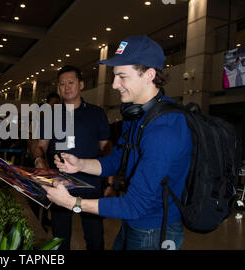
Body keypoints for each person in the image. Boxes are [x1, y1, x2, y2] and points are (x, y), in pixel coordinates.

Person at [42, 35, 193, 250]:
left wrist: (71, 203)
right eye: (114, 76)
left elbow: (134, 204)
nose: (114, 84)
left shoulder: (164, 130)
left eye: (122, 76)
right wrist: (81, 164)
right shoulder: (138, 116)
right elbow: (118, 159)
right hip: (132, 223)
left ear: (149, 75)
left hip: (154, 229)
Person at [33, 65, 111, 250]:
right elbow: (40, 146)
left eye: (71, 82)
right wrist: (39, 159)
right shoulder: (51, 115)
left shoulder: (96, 113)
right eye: (62, 84)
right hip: (60, 184)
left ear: (81, 84)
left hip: (91, 184)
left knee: (95, 237)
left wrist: (110, 182)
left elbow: (107, 149)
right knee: (60, 238)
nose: (66, 87)